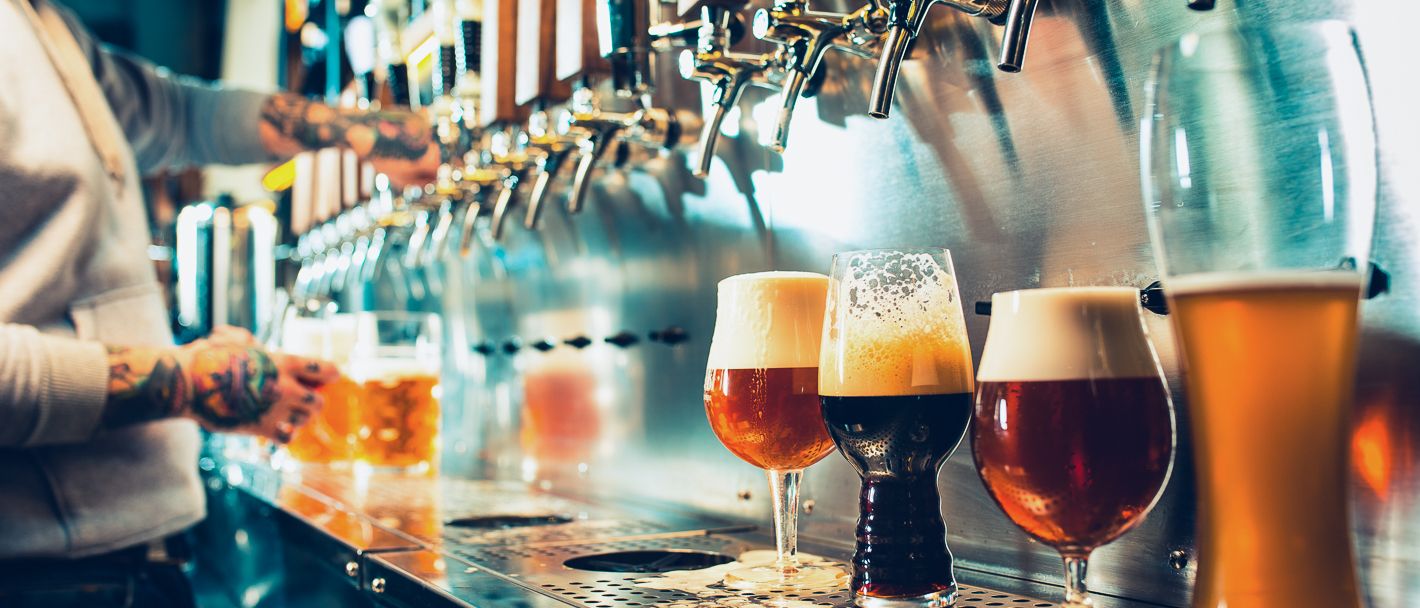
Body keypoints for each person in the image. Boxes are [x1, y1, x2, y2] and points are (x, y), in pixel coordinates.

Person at [0, 0, 441, 600]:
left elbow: (174, 113)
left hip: (123, 559)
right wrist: (192, 380)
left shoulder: (38, 20)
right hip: (48, 576)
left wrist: (354, 131)